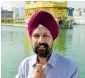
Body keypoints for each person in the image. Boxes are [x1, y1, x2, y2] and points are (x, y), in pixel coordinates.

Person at [16, 10, 80, 78]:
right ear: (31, 39)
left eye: (46, 36)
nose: (41, 41)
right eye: (36, 36)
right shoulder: (25, 66)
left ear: (53, 38)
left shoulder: (70, 68)